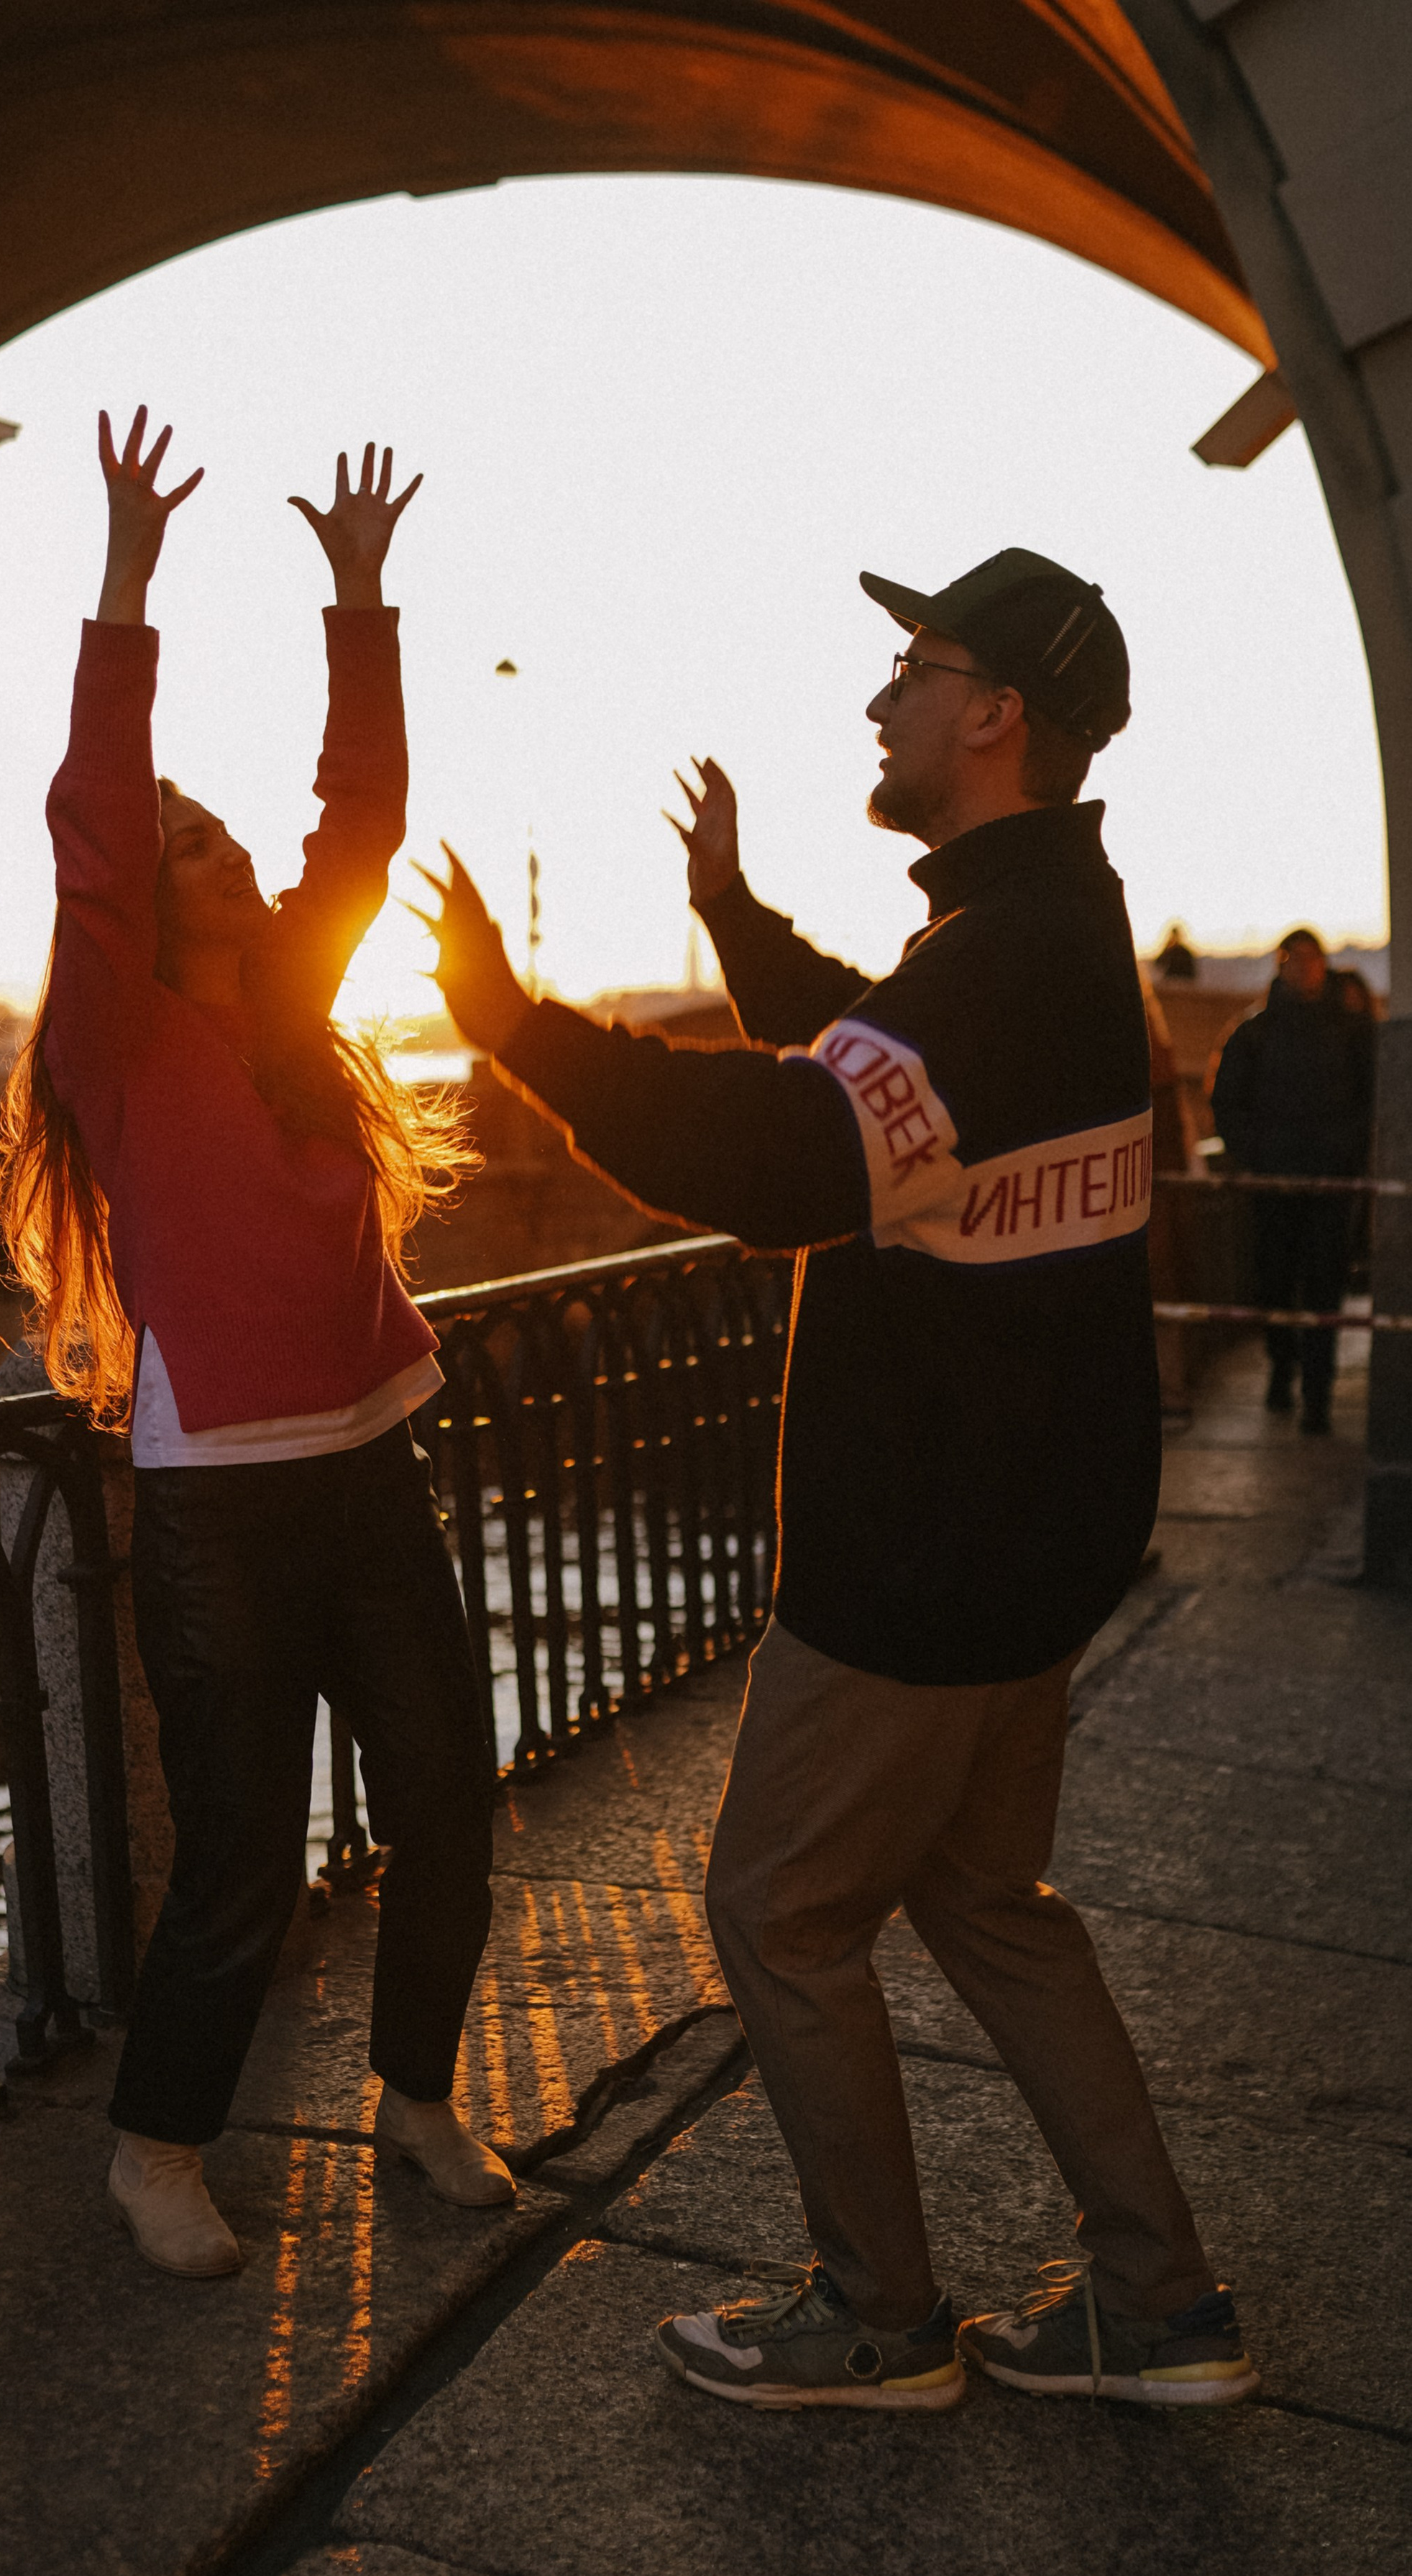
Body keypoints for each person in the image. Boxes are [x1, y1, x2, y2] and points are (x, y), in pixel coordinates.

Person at [415, 547, 1257, 2411]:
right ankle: (1162, 2301)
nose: (878, 696)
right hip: (1030, 1539)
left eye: (913, 667)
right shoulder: (1041, 931)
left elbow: (797, 1146)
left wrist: (516, 1029)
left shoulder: (1003, 956)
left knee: (779, 1913)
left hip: (920, 1557)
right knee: (987, 1904)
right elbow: (872, 1057)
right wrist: (728, 913)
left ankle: (879, 2319)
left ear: (993, 715)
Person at [0, 410, 513, 2280]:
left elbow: (354, 818)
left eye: (218, 844)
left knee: (451, 1804)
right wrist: (127, 583)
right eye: (186, 843)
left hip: (372, 1465)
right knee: (245, 1871)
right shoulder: (111, 1050)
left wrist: (359, 598)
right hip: (218, 1515)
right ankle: (158, 2152)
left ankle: (422, 2097)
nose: (208, 855)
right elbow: (99, 836)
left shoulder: (293, 1002)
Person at [1211, 926, 1375, 1433]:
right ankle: (1283, 1371)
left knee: (1325, 1289)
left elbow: (1375, 1102)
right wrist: (1259, 1155)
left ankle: (1317, 1396)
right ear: (1282, 964)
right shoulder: (1255, 1034)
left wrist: (1345, 1152)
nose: (1304, 967)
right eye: (1295, 958)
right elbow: (1227, 1105)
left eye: (1312, 959)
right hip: (1276, 1184)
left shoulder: (1353, 1033)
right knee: (1276, 1284)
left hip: (1329, 1185)